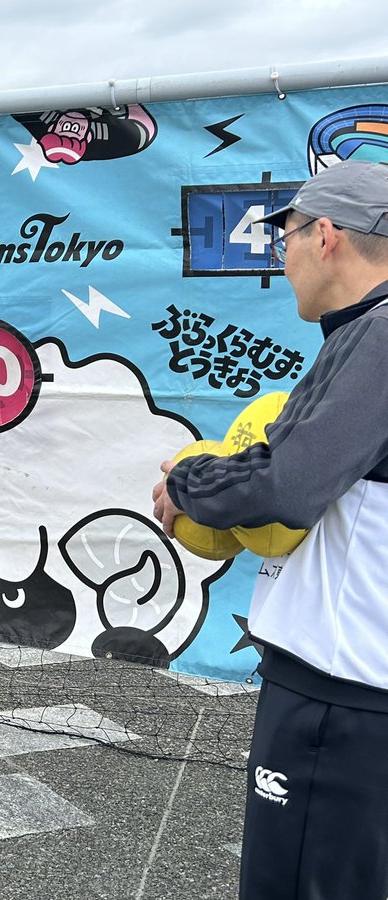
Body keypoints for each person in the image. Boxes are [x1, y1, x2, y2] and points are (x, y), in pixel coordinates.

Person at [151, 160, 388, 900]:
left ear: (325, 236)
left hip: (343, 691)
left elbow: (288, 485)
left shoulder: (381, 332)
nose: (278, 258)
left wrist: (185, 484)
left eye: (281, 236)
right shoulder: (363, 331)